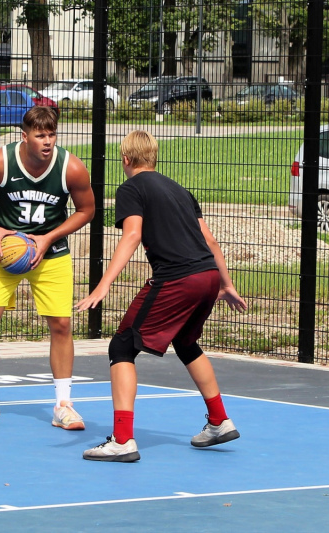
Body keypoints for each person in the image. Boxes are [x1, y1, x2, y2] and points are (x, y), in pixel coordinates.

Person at [77, 130, 247, 462]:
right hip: (208, 276)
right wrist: (225, 284)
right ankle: (219, 420)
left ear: (125, 160)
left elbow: (132, 235)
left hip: (178, 278)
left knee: (122, 345)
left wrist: (104, 283)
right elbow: (210, 242)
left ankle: (123, 439)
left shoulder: (130, 188)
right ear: (154, 157)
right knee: (185, 342)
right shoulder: (181, 191)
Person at [0, 106, 95, 430]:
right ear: (25, 136)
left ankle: (64, 404)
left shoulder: (70, 168)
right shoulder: (0, 162)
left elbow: (86, 210)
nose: (47, 141)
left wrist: (48, 238)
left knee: (61, 324)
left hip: (52, 254)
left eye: (51, 134)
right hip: (7, 252)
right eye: (40, 135)